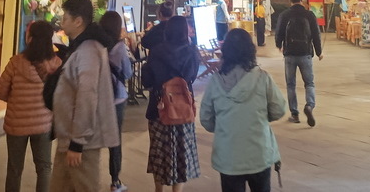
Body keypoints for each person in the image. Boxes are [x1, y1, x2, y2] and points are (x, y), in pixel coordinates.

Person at [200, 28, 286, 192]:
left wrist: (224, 126)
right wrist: (259, 116)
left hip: (228, 156)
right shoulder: (262, 78)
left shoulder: (215, 81)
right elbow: (279, 109)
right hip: (259, 153)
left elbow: (206, 118)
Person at [49, 0, 120, 192]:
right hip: (69, 137)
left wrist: (78, 143)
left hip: (82, 142)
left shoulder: (88, 50)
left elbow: (87, 96)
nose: (62, 22)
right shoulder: (80, 47)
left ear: (78, 21)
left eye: (66, 17)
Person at [0, 20, 62, 192]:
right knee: (44, 168)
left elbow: (0, 91)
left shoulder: (16, 63)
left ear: (30, 38)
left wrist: (17, 99)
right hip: (44, 124)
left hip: (16, 124)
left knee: (14, 169)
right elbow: (60, 96)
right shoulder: (56, 64)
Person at [141, 15, 200, 192]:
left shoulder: (157, 52)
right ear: (185, 32)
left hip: (159, 108)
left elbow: (147, 81)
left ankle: (159, 189)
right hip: (182, 108)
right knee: (181, 152)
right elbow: (191, 77)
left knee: (159, 150)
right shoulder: (192, 52)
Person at [273, 0, 322, 127]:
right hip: (305, 53)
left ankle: (294, 114)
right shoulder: (309, 15)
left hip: (290, 54)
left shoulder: (285, 14)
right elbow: (316, 34)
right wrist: (319, 52)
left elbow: (279, 31)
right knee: (309, 83)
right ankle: (309, 106)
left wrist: (278, 45)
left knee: (291, 84)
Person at [100, 10, 134, 192]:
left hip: (99, 97)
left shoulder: (96, 45)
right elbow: (127, 73)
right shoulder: (120, 48)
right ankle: (115, 181)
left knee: (95, 138)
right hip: (117, 98)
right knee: (115, 140)